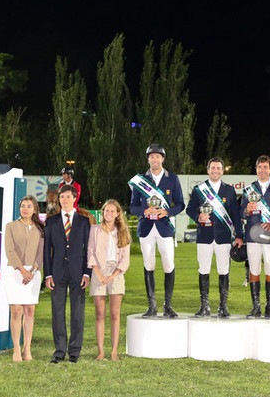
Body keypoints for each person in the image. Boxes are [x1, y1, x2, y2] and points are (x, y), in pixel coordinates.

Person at [129, 143, 185, 318]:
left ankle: (167, 306)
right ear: (148, 159)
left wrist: (167, 211)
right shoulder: (140, 180)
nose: (154, 159)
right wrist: (143, 211)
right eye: (151, 156)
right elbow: (132, 206)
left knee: (169, 265)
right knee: (149, 264)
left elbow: (181, 204)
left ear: (163, 159)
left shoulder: (173, 179)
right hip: (146, 227)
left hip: (165, 227)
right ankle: (151, 305)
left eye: (157, 156)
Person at [185, 157, 243, 318]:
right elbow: (190, 209)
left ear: (223, 171)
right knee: (203, 270)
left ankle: (223, 307)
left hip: (224, 237)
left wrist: (239, 235)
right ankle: (204, 306)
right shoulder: (198, 189)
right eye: (213, 168)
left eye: (218, 168)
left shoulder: (229, 190)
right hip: (204, 236)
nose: (215, 170)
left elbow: (236, 215)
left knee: (224, 271)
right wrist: (198, 217)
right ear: (208, 170)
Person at [44, 184, 91, 363]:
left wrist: (87, 273)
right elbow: (46, 251)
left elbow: (89, 250)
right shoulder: (51, 222)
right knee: (57, 312)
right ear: (58, 199)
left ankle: (74, 351)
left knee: (77, 313)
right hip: (56, 273)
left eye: (68, 197)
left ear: (74, 198)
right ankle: (59, 350)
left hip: (78, 272)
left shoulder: (84, 221)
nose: (64, 200)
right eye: (61, 197)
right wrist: (47, 274)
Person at [240, 155, 270, 319]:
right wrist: (246, 209)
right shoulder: (248, 189)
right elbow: (240, 213)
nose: (262, 170)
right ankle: (256, 307)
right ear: (256, 169)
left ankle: (269, 307)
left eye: (265, 167)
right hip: (252, 236)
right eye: (260, 167)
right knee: (254, 270)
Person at [88, 199, 130, 361]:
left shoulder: (123, 232)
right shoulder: (95, 230)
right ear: (102, 213)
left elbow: (125, 259)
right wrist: (98, 274)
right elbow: (90, 252)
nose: (109, 214)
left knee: (114, 314)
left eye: (113, 211)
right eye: (106, 211)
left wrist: (113, 275)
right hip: (98, 270)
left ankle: (114, 351)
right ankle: (100, 351)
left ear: (118, 213)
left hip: (116, 272)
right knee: (100, 314)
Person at [3, 195, 44, 362]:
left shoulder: (40, 228)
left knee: (30, 310)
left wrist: (32, 271)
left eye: (29, 206)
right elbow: (9, 250)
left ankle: (27, 349)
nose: (25, 209)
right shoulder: (11, 226)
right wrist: (21, 270)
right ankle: (16, 349)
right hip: (14, 271)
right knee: (16, 310)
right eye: (23, 206)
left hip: (33, 272)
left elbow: (41, 252)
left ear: (34, 209)